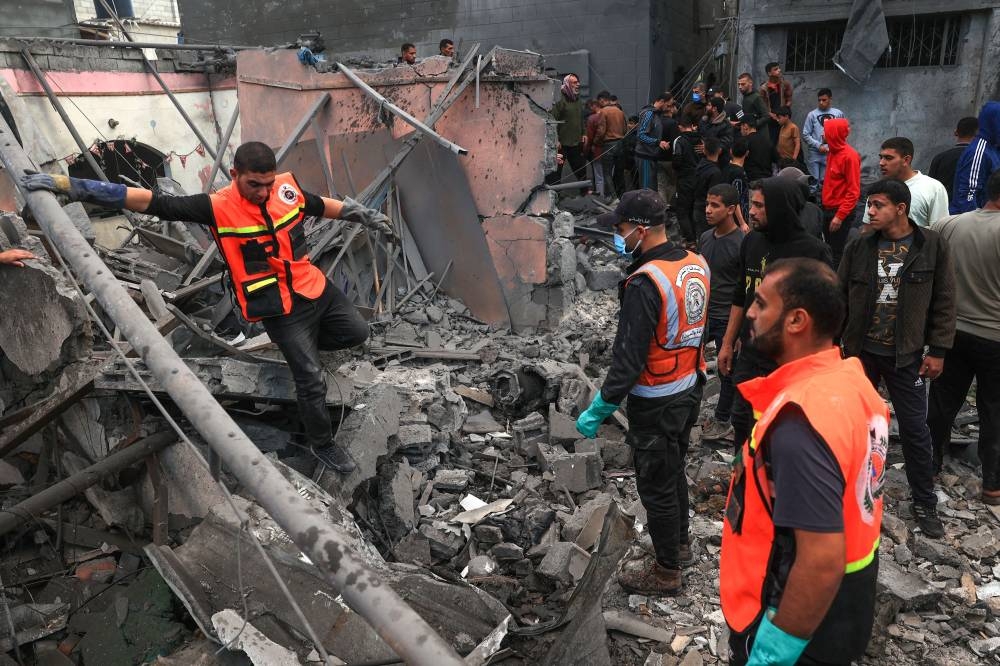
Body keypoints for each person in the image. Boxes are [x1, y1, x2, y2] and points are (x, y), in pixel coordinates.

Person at [21, 142, 395, 473]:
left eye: (268, 183)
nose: (264, 192)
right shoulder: (216, 207)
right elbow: (150, 201)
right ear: (236, 175)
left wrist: (361, 214)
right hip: (278, 306)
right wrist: (73, 186)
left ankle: (305, 352)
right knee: (310, 379)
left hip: (313, 287)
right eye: (254, 185)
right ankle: (322, 443)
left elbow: (317, 204)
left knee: (357, 333)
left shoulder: (285, 188)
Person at [721, 257, 887, 666]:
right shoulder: (850, 380)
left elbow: (819, 561)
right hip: (849, 601)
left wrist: (773, 654)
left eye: (761, 304)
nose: (751, 314)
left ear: (796, 320)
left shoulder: (801, 422)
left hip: (797, 616)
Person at [575, 189, 708, 595]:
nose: (618, 235)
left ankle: (667, 572)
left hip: (657, 398)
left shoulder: (645, 283)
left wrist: (601, 406)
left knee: (655, 485)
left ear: (641, 229)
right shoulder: (694, 263)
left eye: (620, 228)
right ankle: (680, 545)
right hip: (690, 386)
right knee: (674, 468)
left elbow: (629, 358)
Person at [839, 178, 955, 538]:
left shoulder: (931, 245)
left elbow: (945, 300)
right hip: (860, 354)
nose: (869, 212)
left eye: (877, 205)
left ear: (900, 209)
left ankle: (924, 501)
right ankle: (847, 494)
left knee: (915, 430)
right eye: (868, 205)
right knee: (853, 426)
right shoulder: (859, 245)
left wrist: (937, 350)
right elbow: (838, 295)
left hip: (905, 356)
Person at [717, 178, 832, 455]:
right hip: (750, 355)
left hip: (789, 363)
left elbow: (828, 314)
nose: (751, 211)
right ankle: (744, 483)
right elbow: (740, 295)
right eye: (751, 204)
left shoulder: (812, 252)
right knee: (742, 421)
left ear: (780, 208)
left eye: (759, 205)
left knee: (781, 428)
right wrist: (727, 342)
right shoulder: (752, 242)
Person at [929, 170, 1000, 494]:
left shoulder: (949, 225)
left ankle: (929, 465)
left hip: (951, 332)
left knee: (943, 403)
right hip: (995, 336)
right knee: (993, 409)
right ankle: (992, 485)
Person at [698, 184, 745, 442]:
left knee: (728, 371)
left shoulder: (743, 243)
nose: (708, 210)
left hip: (729, 318)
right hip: (702, 315)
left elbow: (746, 289)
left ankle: (723, 419)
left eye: (715, 205)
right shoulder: (706, 238)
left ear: (730, 210)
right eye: (707, 204)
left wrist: (739, 331)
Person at [861, 136, 948, 229]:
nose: (881, 163)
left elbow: (940, 229)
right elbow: (868, 227)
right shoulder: (878, 189)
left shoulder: (933, 188)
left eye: (888, 158)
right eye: (881, 157)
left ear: (906, 160)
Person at [820, 118, 860, 268]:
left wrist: (840, 216)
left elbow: (854, 191)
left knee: (837, 253)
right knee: (828, 249)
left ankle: (836, 286)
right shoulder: (833, 152)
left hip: (839, 212)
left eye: (825, 130)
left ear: (833, 133)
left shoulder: (849, 156)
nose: (822, 133)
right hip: (828, 209)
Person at [951, 101, 1000, 214]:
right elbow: (967, 195)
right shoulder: (979, 151)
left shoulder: (995, 148)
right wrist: (980, 224)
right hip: (974, 223)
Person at [550, 74, 588, 192]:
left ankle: (585, 193)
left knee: (581, 169)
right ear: (567, 84)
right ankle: (555, 196)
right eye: (574, 82)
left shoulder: (576, 99)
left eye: (578, 82)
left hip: (575, 142)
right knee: (556, 172)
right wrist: (555, 140)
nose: (578, 84)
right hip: (561, 143)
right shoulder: (559, 99)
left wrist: (584, 133)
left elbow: (580, 118)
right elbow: (552, 120)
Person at [801, 88, 844, 192]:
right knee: (813, 182)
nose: (821, 102)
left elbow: (842, 132)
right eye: (819, 100)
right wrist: (818, 145)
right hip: (815, 152)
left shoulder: (838, 114)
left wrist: (831, 147)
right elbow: (805, 134)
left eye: (824, 100)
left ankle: (824, 204)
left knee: (826, 182)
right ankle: (812, 205)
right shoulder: (812, 115)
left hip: (830, 153)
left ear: (830, 99)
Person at [929, 116, 978, 203]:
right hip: (973, 212)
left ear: (956, 132)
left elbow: (930, 190)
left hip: (944, 211)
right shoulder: (985, 159)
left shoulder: (939, 158)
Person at [672, 112, 703, 245]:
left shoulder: (679, 141)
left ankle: (690, 240)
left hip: (685, 180)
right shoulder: (702, 140)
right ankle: (699, 237)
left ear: (680, 127)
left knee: (683, 210)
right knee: (696, 209)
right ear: (692, 126)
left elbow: (676, 161)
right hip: (700, 178)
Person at [634, 93, 672, 191]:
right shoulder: (649, 113)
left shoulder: (656, 114)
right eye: (668, 105)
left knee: (651, 188)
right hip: (645, 156)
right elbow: (641, 135)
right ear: (662, 101)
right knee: (647, 189)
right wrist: (658, 142)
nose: (668, 108)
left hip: (651, 155)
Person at [596, 90, 628, 198]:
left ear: (602, 100)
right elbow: (625, 129)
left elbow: (601, 131)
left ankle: (612, 198)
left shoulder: (603, 111)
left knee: (607, 173)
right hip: (620, 143)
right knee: (619, 173)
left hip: (608, 144)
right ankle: (622, 196)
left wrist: (596, 142)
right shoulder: (620, 111)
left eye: (599, 101)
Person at [692, 137, 724, 240]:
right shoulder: (715, 172)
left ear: (704, 150)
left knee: (701, 240)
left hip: (697, 206)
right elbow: (714, 197)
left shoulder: (700, 165)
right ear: (719, 151)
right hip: (708, 211)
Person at [760, 62, 793, 145]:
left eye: (779, 68)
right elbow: (762, 106)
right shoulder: (764, 88)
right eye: (776, 69)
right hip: (771, 120)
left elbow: (789, 98)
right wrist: (771, 114)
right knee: (773, 142)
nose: (779, 70)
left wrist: (786, 109)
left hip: (783, 117)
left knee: (785, 141)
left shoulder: (785, 84)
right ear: (769, 73)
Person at [722, 136, 751, 231]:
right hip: (737, 219)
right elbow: (735, 200)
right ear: (747, 153)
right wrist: (742, 223)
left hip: (727, 214)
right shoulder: (739, 173)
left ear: (731, 151)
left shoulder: (726, 168)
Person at [740, 117, 776, 181]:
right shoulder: (767, 140)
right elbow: (776, 159)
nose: (740, 130)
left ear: (745, 126)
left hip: (751, 179)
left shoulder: (744, 141)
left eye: (740, 126)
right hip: (767, 179)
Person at [584, 98, 605, 196]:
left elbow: (590, 136)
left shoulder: (592, 118)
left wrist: (587, 149)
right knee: (608, 174)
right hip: (610, 147)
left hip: (597, 149)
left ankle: (600, 195)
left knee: (598, 175)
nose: (589, 109)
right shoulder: (606, 114)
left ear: (594, 106)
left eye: (590, 107)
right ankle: (610, 195)